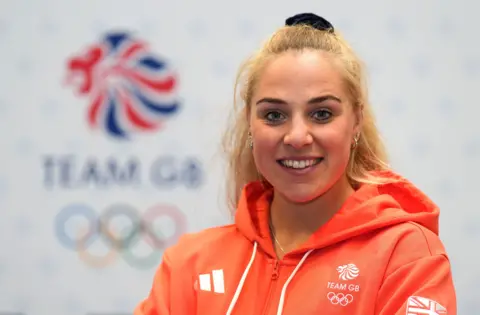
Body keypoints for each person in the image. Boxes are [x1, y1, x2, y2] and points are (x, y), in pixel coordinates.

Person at [135, 13, 457, 315]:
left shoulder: (406, 256)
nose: (297, 136)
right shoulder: (190, 263)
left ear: (356, 121)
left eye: (322, 114)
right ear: (250, 123)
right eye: (274, 115)